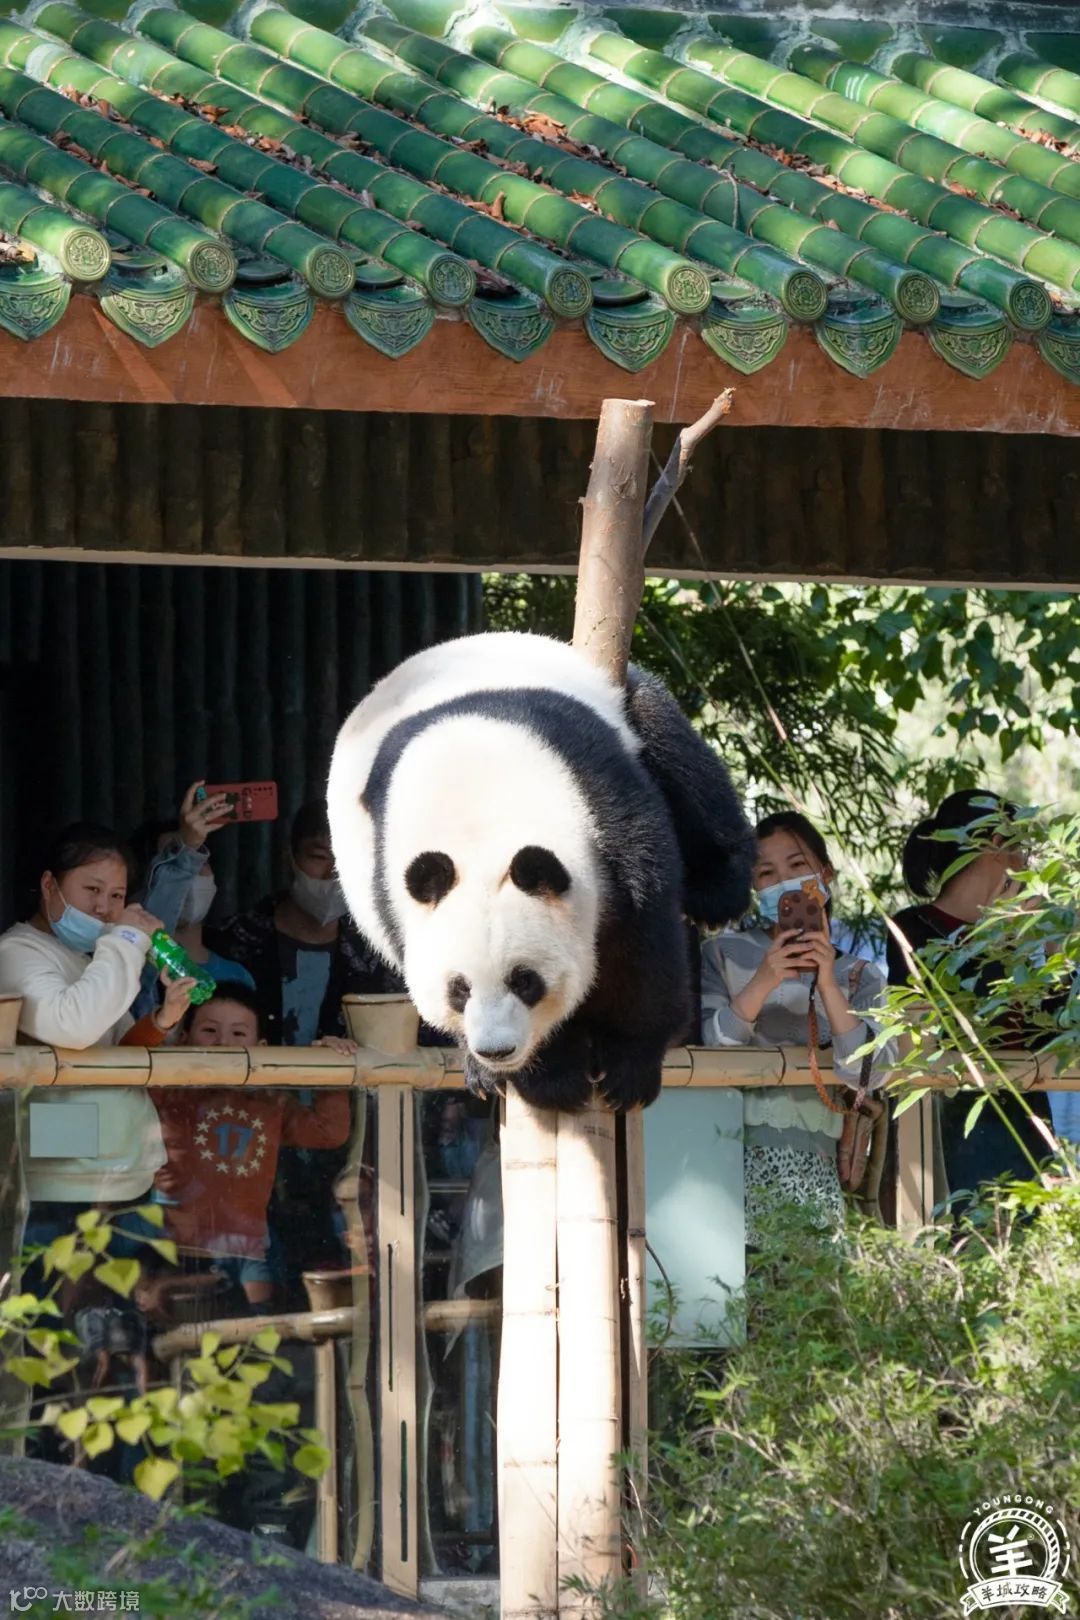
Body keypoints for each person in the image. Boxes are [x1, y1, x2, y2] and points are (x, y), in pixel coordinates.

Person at [700, 812, 892, 1246]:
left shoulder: (860, 975)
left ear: (826, 874)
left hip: (819, 1161)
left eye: (797, 865)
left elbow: (870, 1073)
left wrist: (828, 985)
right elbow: (710, 1049)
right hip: (724, 1157)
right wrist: (764, 980)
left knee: (812, 1282)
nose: (784, 881)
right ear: (754, 888)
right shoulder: (720, 954)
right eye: (766, 873)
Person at [0, 823, 194, 1220]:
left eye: (117, 896)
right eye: (92, 889)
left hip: (120, 1172)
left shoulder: (89, 959)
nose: (103, 907)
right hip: (61, 1182)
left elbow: (121, 1050)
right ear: (49, 885)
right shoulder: (16, 952)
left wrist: (162, 1020)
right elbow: (73, 1027)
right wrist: (127, 939)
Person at [146, 983, 355, 1311]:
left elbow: (328, 1133)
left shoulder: (269, 1102)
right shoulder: (170, 1093)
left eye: (238, 1033)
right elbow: (132, 1053)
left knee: (254, 1330)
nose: (223, 1042)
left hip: (250, 1251)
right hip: (177, 1250)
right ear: (185, 1040)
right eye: (209, 1030)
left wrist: (331, 1064)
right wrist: (163, 1023)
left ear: (261, 1048)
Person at [888, 789, 1054, 1198]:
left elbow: (1052, 1035)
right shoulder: (913, 928)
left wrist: (1055, 950)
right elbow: (948, 1028)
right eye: (1021, 848)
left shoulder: (1019, 930)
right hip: (953, 1127)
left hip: (1028, 1121)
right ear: (996, 844)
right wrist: (1004, 939)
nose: (1025, 864)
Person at [207, 799, 397, 1045]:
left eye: (348, 861)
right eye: (320, 857)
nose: (334, 873)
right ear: (289, 858)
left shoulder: (379, 957)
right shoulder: (230, 942)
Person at [130, 781, 246, 1019]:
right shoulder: (133, 970)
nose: (189, 877)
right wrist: (188, 846)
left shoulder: (239, 974)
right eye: (169, 864)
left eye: (199, 861)